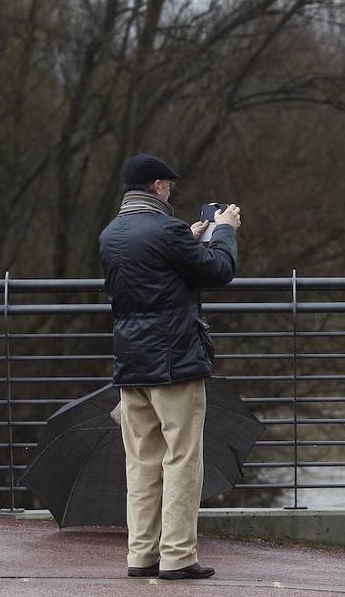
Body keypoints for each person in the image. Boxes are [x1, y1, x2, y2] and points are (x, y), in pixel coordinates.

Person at [98, 153, 241, 580]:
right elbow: (219, 271)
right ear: (158, 186)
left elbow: (153, 274)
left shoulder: (111, 233)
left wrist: (189, 237)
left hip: (131, 361)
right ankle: (178, 556)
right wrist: (224, 232)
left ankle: (141, 555)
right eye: (169, 186)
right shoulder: (166, 230)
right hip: (175, 361)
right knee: (181, 459)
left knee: (140, 463)